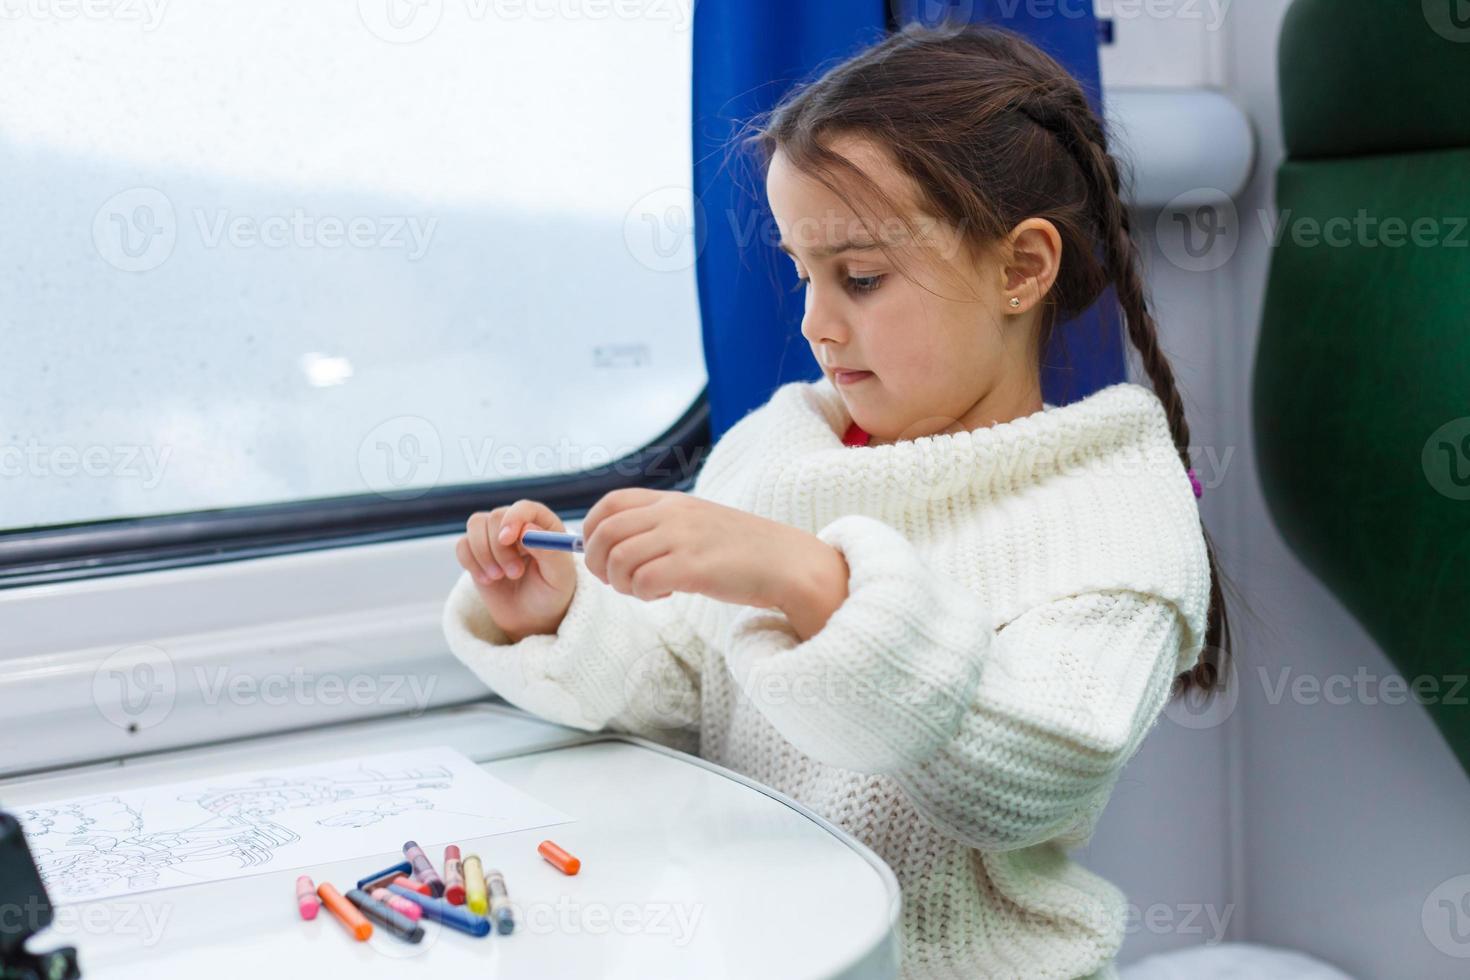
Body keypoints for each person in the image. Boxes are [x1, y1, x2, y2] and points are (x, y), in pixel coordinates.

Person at [444, 21, 1232, 980]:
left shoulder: (1107, 507)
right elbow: (694, 689)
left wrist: (817, 585)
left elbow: (1034, 773)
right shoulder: (780, 450)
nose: (816, 322)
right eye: (802, 272)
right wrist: (561, 616)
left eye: (860, 277)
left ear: (1021, 269)